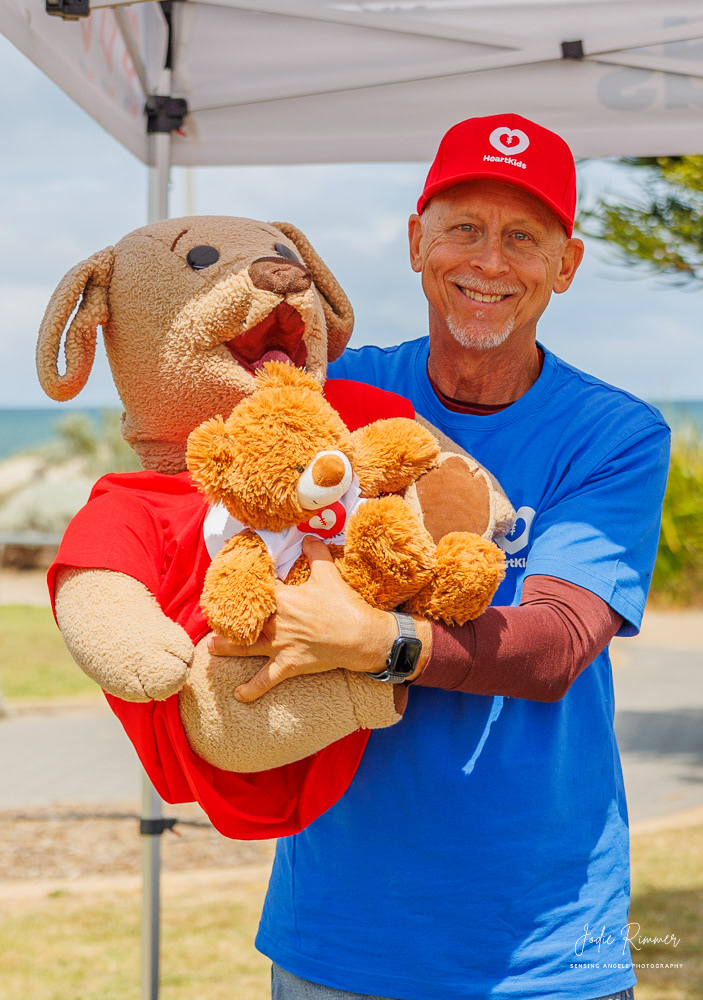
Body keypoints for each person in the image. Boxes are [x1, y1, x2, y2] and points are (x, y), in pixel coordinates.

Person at [210, 114, 670, 1000]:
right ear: (417, 240)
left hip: (543, 948)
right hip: (338, 929)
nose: (490, 261)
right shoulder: (339, 392)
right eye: (464, 228)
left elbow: (554, 646)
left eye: (523, 237)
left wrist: (374, 640)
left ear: (567, 264)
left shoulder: (612, 433)